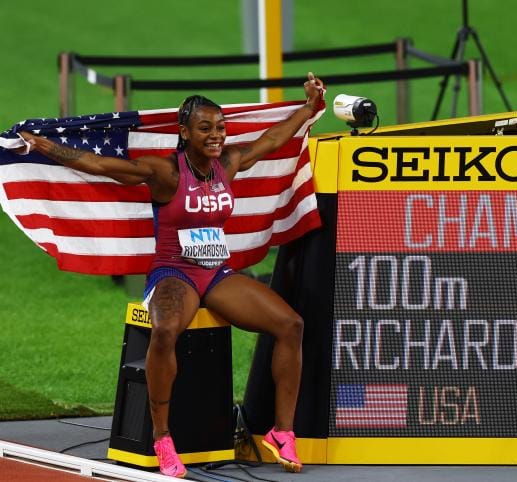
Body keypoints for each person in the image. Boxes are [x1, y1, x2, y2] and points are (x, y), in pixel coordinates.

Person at [19, 72, 324, 478]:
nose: (216, 136)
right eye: (205, 128)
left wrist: (308, 107)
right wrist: (44, 146)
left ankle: (282, 432)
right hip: (174, 272)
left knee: (290, 324)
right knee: (165, 332)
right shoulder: (165, 173)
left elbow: (272, 140)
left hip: (216, 272)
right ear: (184, 133)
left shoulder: (228, 163)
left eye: (220, 127)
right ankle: (162, 437)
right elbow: (98, 164)